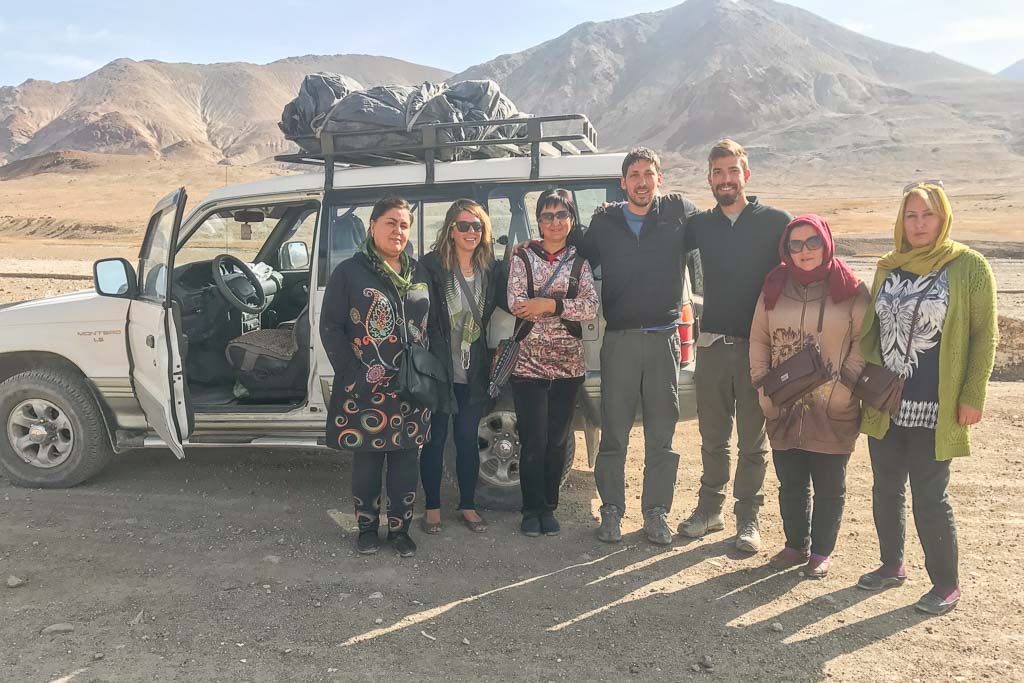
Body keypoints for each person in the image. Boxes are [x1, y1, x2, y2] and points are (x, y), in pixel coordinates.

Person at [855, 183, 997, 615]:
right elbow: (874, 330)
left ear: (944, 218)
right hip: (886, 402)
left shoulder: (968, 266)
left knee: (930, 495)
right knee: (885, 488)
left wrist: (972, 395)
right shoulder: (889, 266)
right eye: (911, 215)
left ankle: (945, 583)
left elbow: (984, 336)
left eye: (928, 214)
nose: (919, 224)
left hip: (935, 405)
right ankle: (891, 565)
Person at [573, 148, 700, 545]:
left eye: (648, 174)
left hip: (663, 340)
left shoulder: (679, 211)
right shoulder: (605, 221)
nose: (641, 182)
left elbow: (715, 240)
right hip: (619, 342)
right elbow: (576, 253)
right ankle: (611, 510)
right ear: (623, 182)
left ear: (659, 178)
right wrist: (527, 250)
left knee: (661, 435)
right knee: (614, 433)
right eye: (634, 175)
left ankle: (656, 513)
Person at [677, 139, 791, 553]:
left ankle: (748, 519)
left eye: (732, 171)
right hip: (711, 345)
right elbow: (657, 238)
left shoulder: (775, 222)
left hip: (758, 349)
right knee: (713, 437)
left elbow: (806, 266)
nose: (725, 179)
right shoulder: (700, 225)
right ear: (709, 178)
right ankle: (710, 510)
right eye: (717, 172)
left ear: (747, 174)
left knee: (752, 441)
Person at [749, 214, 869, 578]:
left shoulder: (851, 289)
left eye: (813, 241)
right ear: (786, 249)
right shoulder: (773, 287)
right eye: (796, 244)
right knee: (791, 482)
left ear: (826, 243)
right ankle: (795, 545)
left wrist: (845, 389)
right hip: (784, 404)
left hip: (832, 406)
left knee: (830, 485)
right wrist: (763, 389)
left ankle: (821, 552)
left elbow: (863, 343)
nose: (805, 251)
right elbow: (759, 339)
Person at [320, 196, 432, 559]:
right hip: (366, 387)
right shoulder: (350, 272)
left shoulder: (418, 273)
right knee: (367, 461)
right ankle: (367, 529)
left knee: (406, 462)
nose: (398, 231)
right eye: (390, 223)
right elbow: (331, 327)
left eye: (404, 225)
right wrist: (354, 375)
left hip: (411, 388)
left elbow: (431, 326)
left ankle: (400, 531)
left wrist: (429, 370)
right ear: (372, 226)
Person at [508, 189, 599, 537]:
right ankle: (530, 509)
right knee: (533, 442)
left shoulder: (579, 263)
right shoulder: (523, 258)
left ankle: (549, 507)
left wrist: (549, 305)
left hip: (568, 367)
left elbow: (590, 307)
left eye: (561, 215)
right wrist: (562, 305)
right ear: (539, 222)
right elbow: (517, 303)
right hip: (528, 366)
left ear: (571, 220)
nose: (555, 222)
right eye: (547, 216)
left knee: (557, 441)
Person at [419, 199, 504, 534]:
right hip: (440, 369)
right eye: (464, 225)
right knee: (435, 440)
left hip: (473, 370)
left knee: (467, 441)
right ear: (451, 230)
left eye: (477, 226)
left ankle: (468, 506)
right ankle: (432, 508)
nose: (471, 232)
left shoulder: (490, 269)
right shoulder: (431, 267)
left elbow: (512, 298)